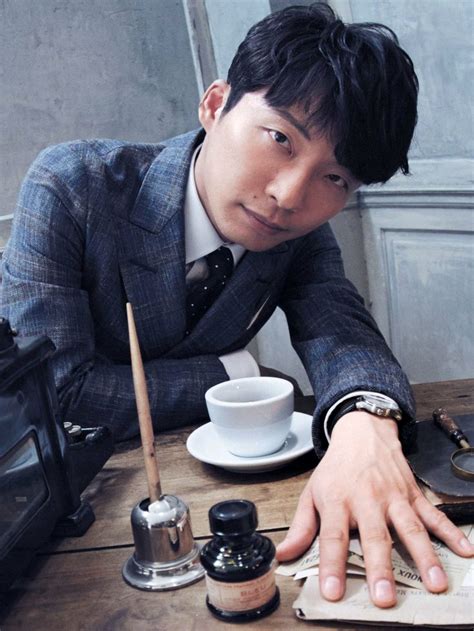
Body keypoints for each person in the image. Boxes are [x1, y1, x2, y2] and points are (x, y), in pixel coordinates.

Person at [2, 2, 472, 609]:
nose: (288, 196)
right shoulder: (74, 186)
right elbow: (56, 396)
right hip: (77, 525)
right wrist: (241, 373)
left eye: (336, 180)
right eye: (280, 138)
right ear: (215, 103)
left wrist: (365, 422)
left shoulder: (299, 236)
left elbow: (341, 330)